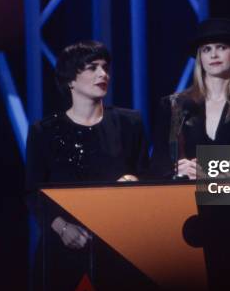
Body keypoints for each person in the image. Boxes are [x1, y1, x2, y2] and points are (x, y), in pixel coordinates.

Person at [25, 40, 148, 250]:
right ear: (70, 80)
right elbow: (33, 193)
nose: (103, 75)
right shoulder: (44, 131)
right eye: (92, 68)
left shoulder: (130, 122)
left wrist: (134, 180)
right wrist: (62, 227)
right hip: (64, 245)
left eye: (105, 68)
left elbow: (148, 177)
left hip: (120, 242)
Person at [150, 18, 230, 179]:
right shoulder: (175, 106)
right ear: (200, 57)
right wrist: (177, 170)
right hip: (186, 199)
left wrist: (208, 175)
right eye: (206, 49)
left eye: (221, 47)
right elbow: (158, 164)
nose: (213, 55)